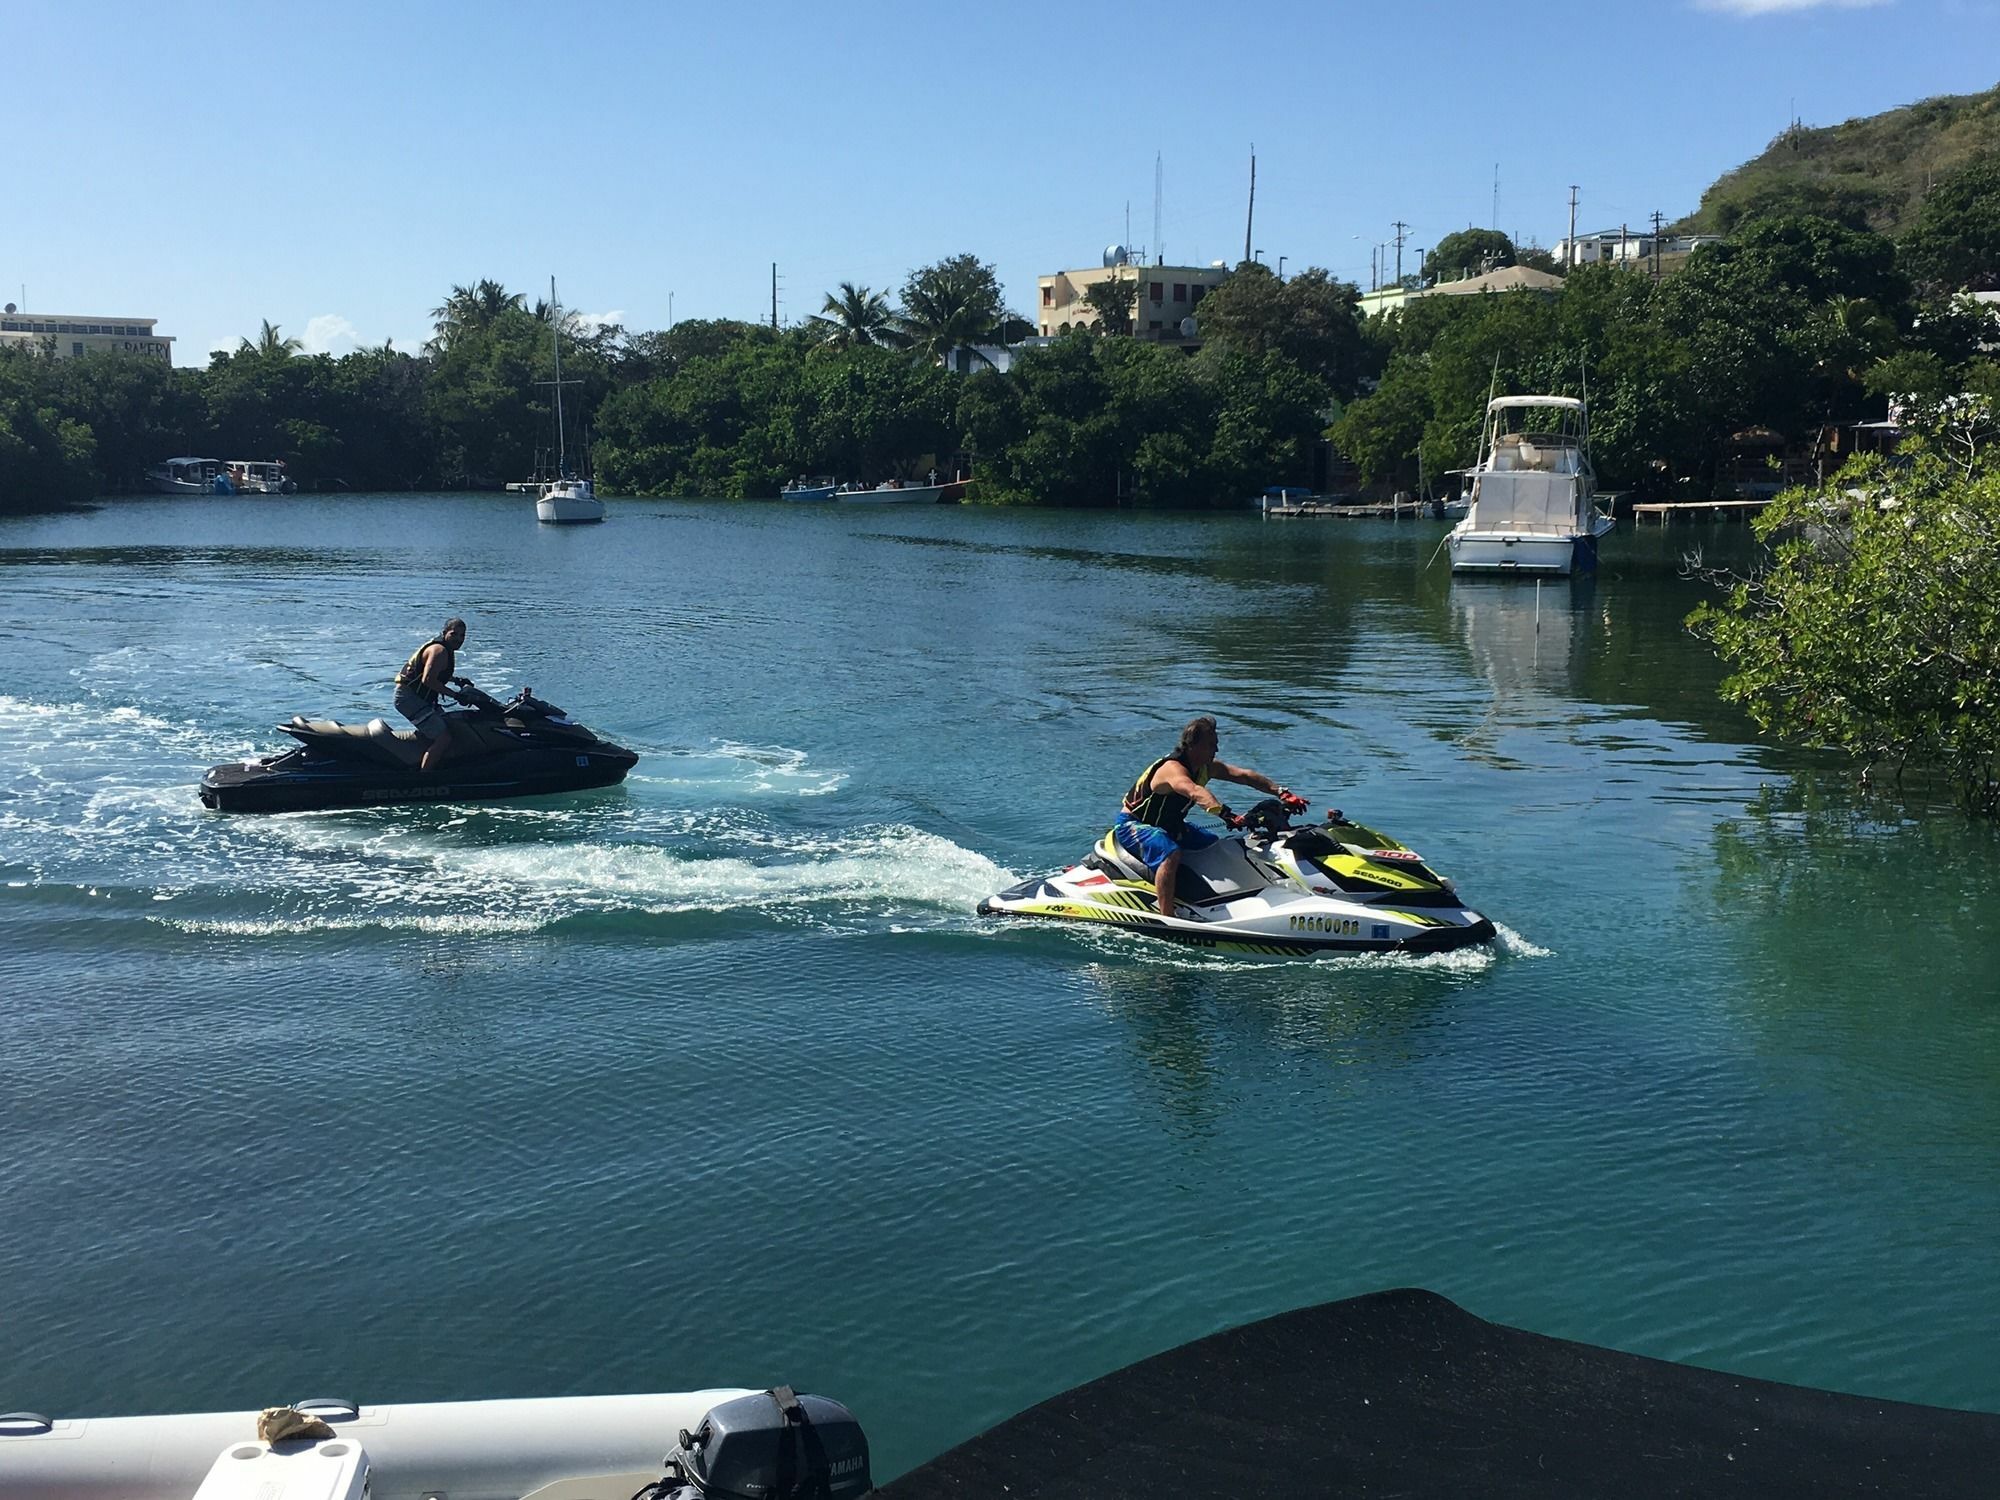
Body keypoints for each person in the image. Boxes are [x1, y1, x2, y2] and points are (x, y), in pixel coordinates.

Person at [1117, 715, 1307, 918]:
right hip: (1134, 825)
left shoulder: (1206, 767)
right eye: (1211, 745)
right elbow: (1194, 791)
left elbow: (1244, 775)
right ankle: (1167, 915)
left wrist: (1282, 792)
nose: (1216, 750)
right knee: (1170, 854)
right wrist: (1226, 814)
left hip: (1171, 825)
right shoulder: (1172, 769)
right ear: (1192, 746)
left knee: (1213, 846)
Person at [392, 617, 476, 773]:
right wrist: (456, 696)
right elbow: (428, 679)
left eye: (462, 636)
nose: (459, 639)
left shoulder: (444, 649)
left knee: (451, 725)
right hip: (408, 699)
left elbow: (433, 672)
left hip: (419, 698)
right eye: (454, 634)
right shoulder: (440, 650)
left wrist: (455, 680)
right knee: (444, 738)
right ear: (444, 633)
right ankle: (424, 778)